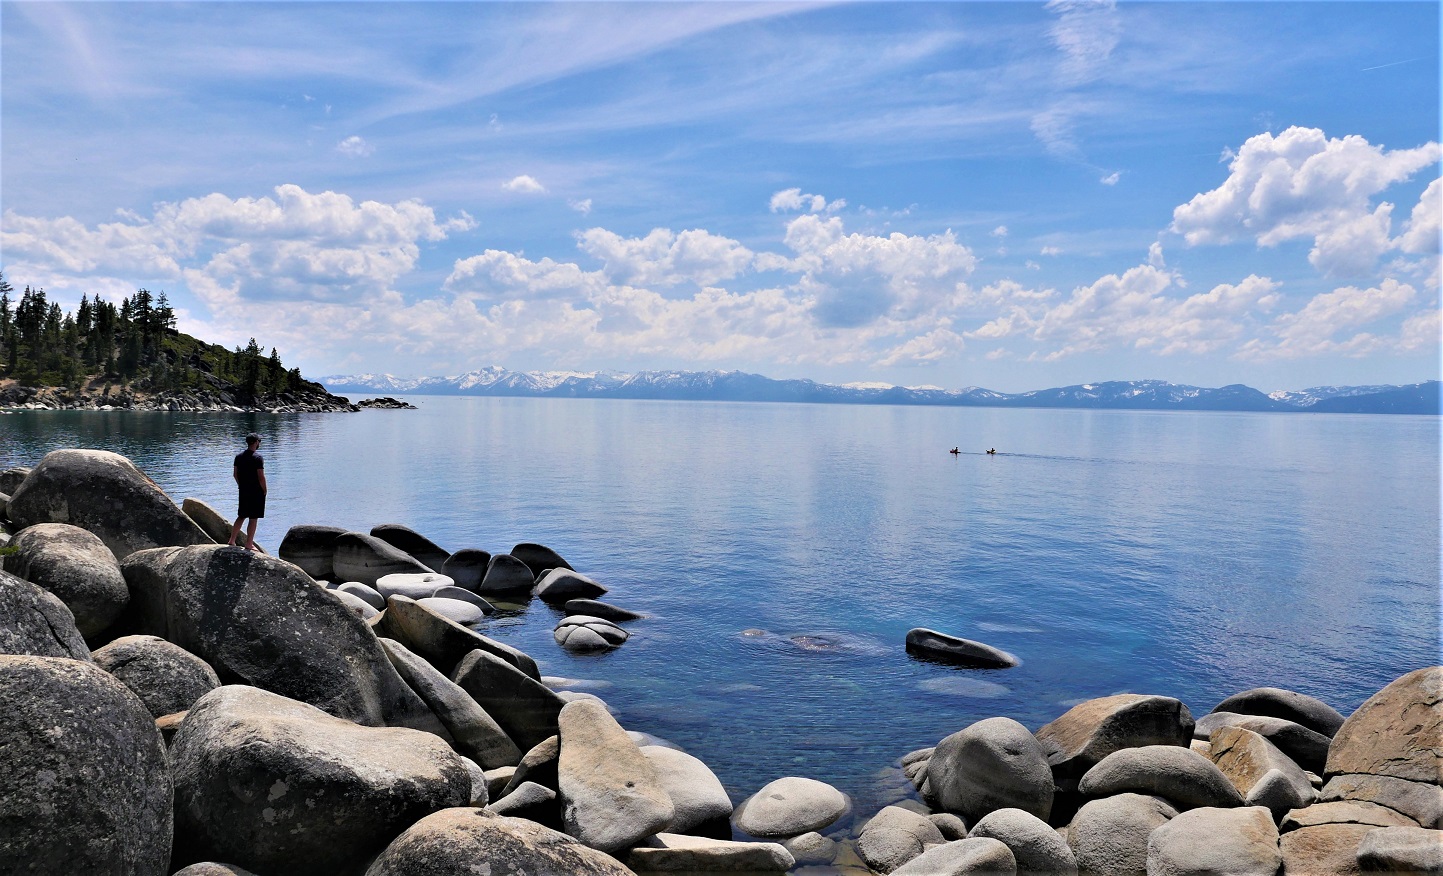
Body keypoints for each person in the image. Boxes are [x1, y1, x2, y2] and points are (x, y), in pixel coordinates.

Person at [228, 433, 267, 550]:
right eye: (259, 441)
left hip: (243, 490)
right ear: (255, 442)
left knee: (241, 516)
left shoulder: (238, 457)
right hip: (256, 491)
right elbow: (261, 476)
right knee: (253, 518)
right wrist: (264, 490)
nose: (259, 443)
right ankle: (249, 543)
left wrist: (241, 485)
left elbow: (235, 474)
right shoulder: (258, 458)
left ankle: (232, 540)